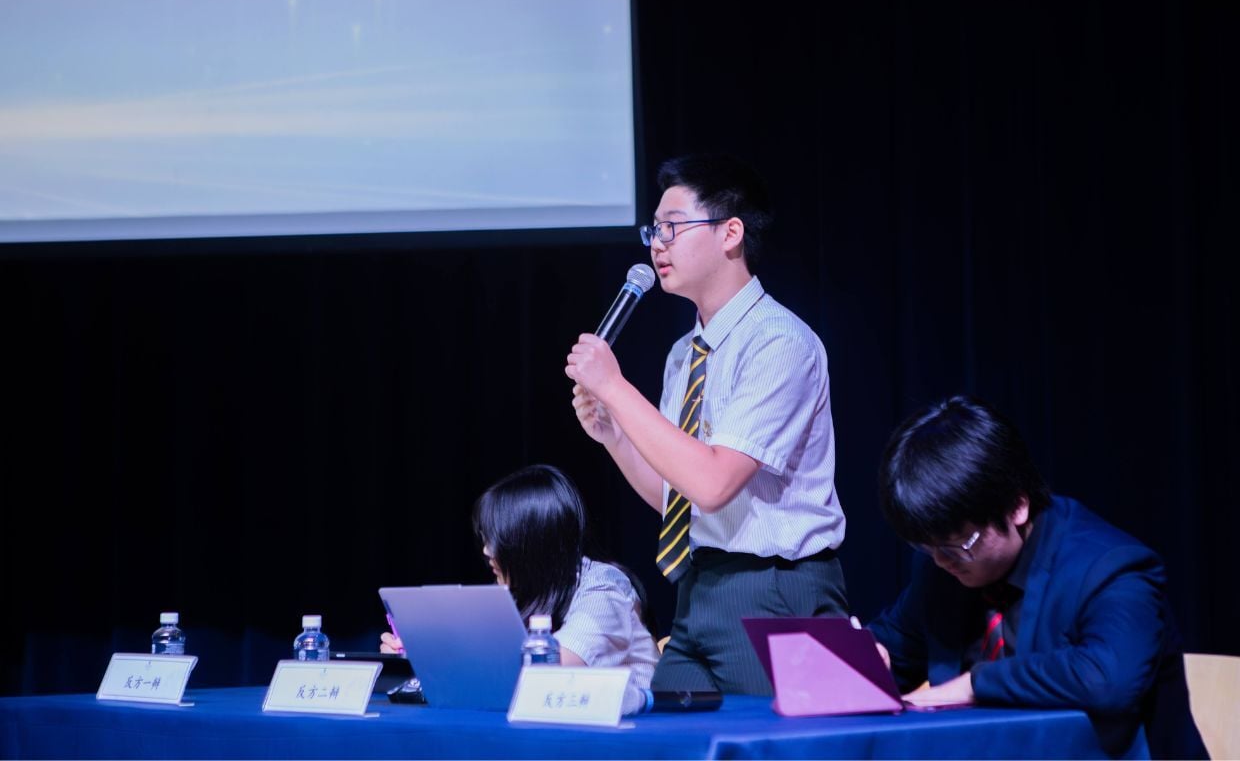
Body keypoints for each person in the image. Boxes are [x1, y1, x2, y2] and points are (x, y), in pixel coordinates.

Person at [565, 153, 848, 695]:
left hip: (773, 587)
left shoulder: (779, 341)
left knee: (766, 738)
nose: (657, 245)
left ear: (730, 233)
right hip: (699, 586)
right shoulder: (684, 354)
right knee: (665, 732)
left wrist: (617, 389)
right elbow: (677, 498)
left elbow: (714, 483)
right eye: (654, 230)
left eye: (672, 227)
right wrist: (614, 435)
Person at [868, 395, 1206, 759]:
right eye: (927, 546)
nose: (940, 560)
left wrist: (976, 684)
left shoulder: (1111, 568)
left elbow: (1107, 679)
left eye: (958, 545)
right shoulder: (942, 571)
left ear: (1017, 506)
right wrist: (865, 660)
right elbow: (892, 649)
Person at [380, 464, 659, 697]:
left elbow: (549, 670)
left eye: (498, 541)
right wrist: (417, 651)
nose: (486, 551)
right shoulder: (520, 590)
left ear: (532, 545)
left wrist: (442, 658)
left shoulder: (604, 589)